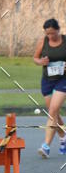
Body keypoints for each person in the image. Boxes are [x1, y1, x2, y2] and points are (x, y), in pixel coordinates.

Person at [33, 17, 66, 157]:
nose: (50, 36)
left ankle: (45, 146)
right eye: (48, 33)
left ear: (58, 30)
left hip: (63, 80)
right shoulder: (43, 42)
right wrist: (41, 61)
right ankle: (64, 137)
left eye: (53, 33)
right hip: (47, 80)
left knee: (52, 111)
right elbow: (35, 58)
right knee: (53, 113)